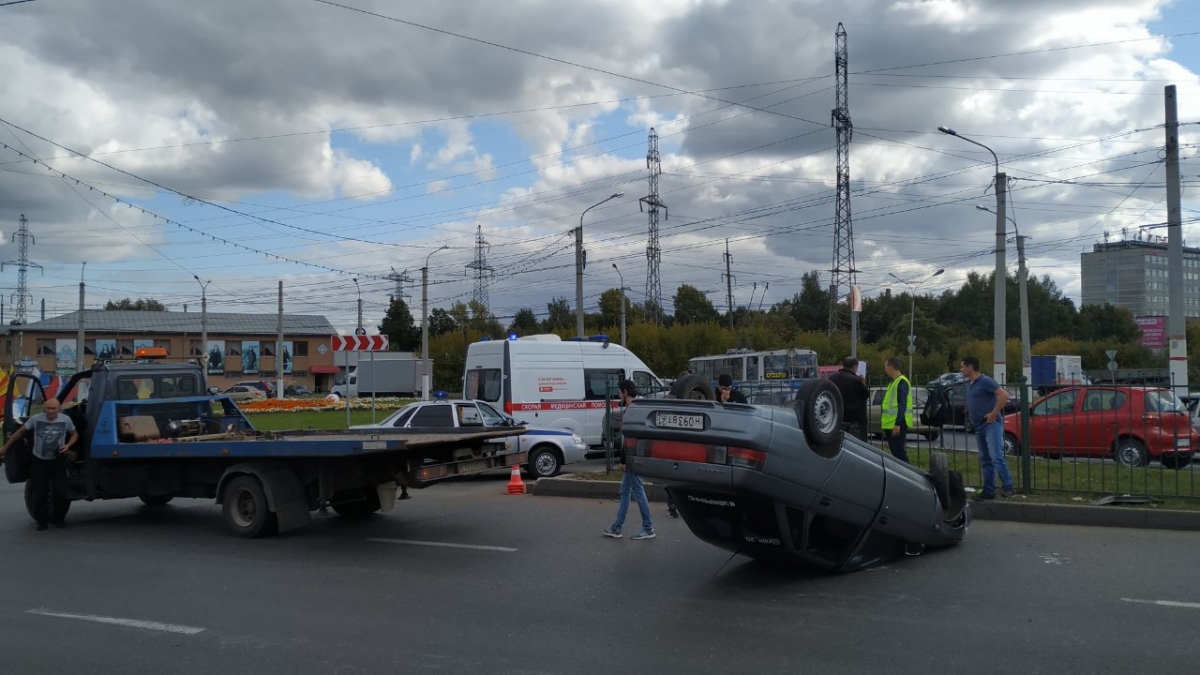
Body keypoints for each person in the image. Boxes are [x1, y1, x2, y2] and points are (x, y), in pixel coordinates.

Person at [0, 399, 79, 530]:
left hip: (57, 459)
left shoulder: (65, 420)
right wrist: (5, 447)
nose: (51, 411)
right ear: (44, 408)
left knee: (61, 491)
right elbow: (19, 433)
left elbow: (75, 434)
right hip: (39, 460)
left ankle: (59, 519)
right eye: (48, 408)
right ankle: (42, 522)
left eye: (53, 409)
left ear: (59, 409)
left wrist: (68, 445)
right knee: (40, 493)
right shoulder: (36, 419)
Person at [603, 379, 655, 540]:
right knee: (625, 492)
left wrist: (624, 461)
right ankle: (617, 527)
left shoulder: (629, 411)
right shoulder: (638, 408)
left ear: (625, 392)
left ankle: (648, 527)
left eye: (619, 392)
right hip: (635, 455)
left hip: (631, 458)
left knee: (638, 492)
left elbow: (628, 439)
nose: (618, 394)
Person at [961, 356, 1015, 501]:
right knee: (985, 458)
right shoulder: (969, 384)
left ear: (970, 367)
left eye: (963, 367)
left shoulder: (985, 381)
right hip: (979, 425)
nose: (961, 370)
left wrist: (993, 413)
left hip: (991, 424)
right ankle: (989, 490)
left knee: (996, 456)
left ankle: (1008, 487)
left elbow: (1004, 395)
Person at [881, 357, 913, 463]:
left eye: (886, 367)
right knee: (896, 453)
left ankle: (910, 475)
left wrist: (897, 424)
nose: (885, 370)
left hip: (896, 424)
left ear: (890, 367)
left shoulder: (901, 382)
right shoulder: (894, 382)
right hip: (891, 424)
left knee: (899, 453)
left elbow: (902, 404)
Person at [829, 356, 869, 441]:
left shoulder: (832, 378)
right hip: (854, 419)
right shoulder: (855, 380)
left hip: (837, 417)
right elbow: (865, 395)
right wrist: (863, 382)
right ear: (854, 367)